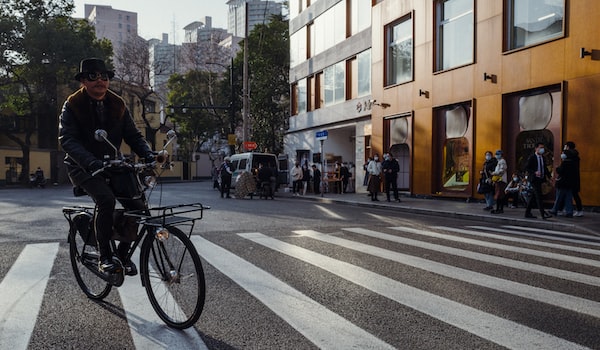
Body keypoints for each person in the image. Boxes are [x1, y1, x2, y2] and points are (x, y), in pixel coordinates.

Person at [59, 58, 155, 275]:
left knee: (137, 206)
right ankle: (105, 257)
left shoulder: (118, 104)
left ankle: (121, 255)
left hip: (113, 164)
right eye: (93, 77)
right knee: (106, 200)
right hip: (82, 166)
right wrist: (89, 161)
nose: (100, 81)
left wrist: (148, 154)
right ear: (83, 81)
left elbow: (133, 135)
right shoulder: (72, 104)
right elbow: (67, 139)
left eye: (104, 76)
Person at [524, 142, 553, 219]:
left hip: (540, 179)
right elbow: (527, 167)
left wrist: (549, 177)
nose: (542, 149)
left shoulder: (542, 158)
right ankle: (543, 214)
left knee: (533, 196)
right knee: (539, 196)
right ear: (536, 148)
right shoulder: (532, 157)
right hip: (534, 179)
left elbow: (545, 168)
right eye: (540, 147)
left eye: (543, 147)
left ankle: (527, 212)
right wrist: (534, 172)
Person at [549, 150, 576, 217]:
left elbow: (560, 171)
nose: (562, 155)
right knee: (568, 198)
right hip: (569, 183)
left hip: (562, 183)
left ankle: (554, 210)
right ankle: (569, 212)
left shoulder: (564, 163)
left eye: (563, 153)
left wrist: (557, 168)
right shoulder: (573, 163)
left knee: (559, 197)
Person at [564, 141, 583, 216]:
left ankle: (573, 210)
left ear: (568, 147)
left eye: (565, 146)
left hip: (569, 177)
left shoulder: (568, 155)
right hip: (575, 177)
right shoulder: (576, 155)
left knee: (568, 193)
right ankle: (579, 209)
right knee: (575, 194)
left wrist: (565, 151)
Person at [490, 150, 508, 214]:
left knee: (499, 194)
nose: (496, 155)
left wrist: (494, 173)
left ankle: (499, 209)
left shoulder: (502, 161)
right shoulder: (499, 161)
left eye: (497, 154)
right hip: (499, 180)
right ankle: (498, 208)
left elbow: (501, 170)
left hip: (500, 180)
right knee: (499, 194)